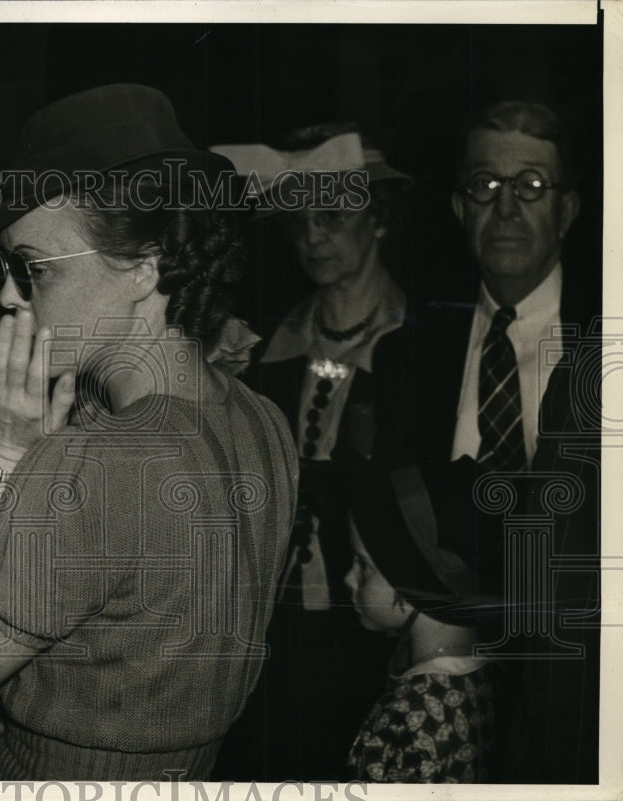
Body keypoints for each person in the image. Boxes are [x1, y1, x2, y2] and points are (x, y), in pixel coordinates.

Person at [0, 83, 299, 780]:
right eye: (4, 270)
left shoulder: (94, 461)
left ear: (146, 266)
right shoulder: (264, 422)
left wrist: (2, 452)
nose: (7, 294)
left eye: (31, 268)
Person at [371, 100, 600, 783]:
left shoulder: (604, 348)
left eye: (530, 186)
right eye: (485, 186)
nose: (505, 208)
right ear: (457, 206)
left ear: (567, 209)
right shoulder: (405, 359)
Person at [210, 126, 411, 779]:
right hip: (273, 630)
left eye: (334, 215)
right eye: (299, 221)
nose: (314, 235)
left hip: (377, 630)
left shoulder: (420, 343)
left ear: (377, 219)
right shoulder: (268, 347)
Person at [345, 457, 504, 783]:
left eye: (363, 566)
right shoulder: (492, 675)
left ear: (415, 583)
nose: (348, 579)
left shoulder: (403, 718)